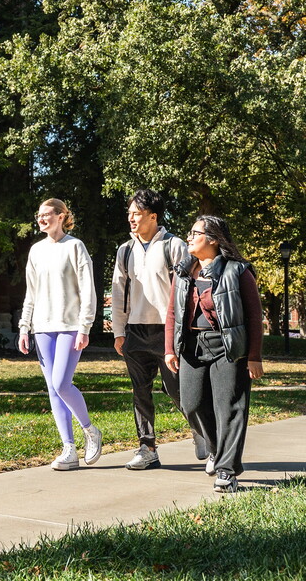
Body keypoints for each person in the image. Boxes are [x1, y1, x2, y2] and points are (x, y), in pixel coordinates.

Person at [164, 215, 263, 493]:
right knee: (191, 403)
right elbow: (172, 311)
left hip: (228, 346)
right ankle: (216, 450)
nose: (189, 237)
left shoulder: (237, 271)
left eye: (195, 233)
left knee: (229, 408)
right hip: (191, 345)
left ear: (214, 239)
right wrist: (169, 348)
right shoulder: (183, 271)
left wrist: (254, 355)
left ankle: (227, 472)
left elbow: (255, 317)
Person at [110, 189, 206, 471]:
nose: (131, 218)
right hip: (135, 332)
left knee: (177, 391)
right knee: (140, 392)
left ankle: (202, 432)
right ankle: (147, 447)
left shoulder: (174, 245)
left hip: (168, 331)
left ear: (153, 216)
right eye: (129, 213)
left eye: (136, 214)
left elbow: (188, 291)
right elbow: (118, 293)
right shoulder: (125, 249)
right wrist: (119, 331)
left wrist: (183, 330)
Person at [18, 198, 102, 471]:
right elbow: (31, 292)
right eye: (38, 215)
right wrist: (24, 326)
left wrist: (85, 327)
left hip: (70, 326)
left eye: (47, 214)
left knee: (62, 384)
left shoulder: (75, 247)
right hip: (42, 327)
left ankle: (90, 431)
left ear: (62, 216)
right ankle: (68, 448)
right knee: (53, 390)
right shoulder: (35, 251)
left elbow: (88, 290)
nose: (41, 219)